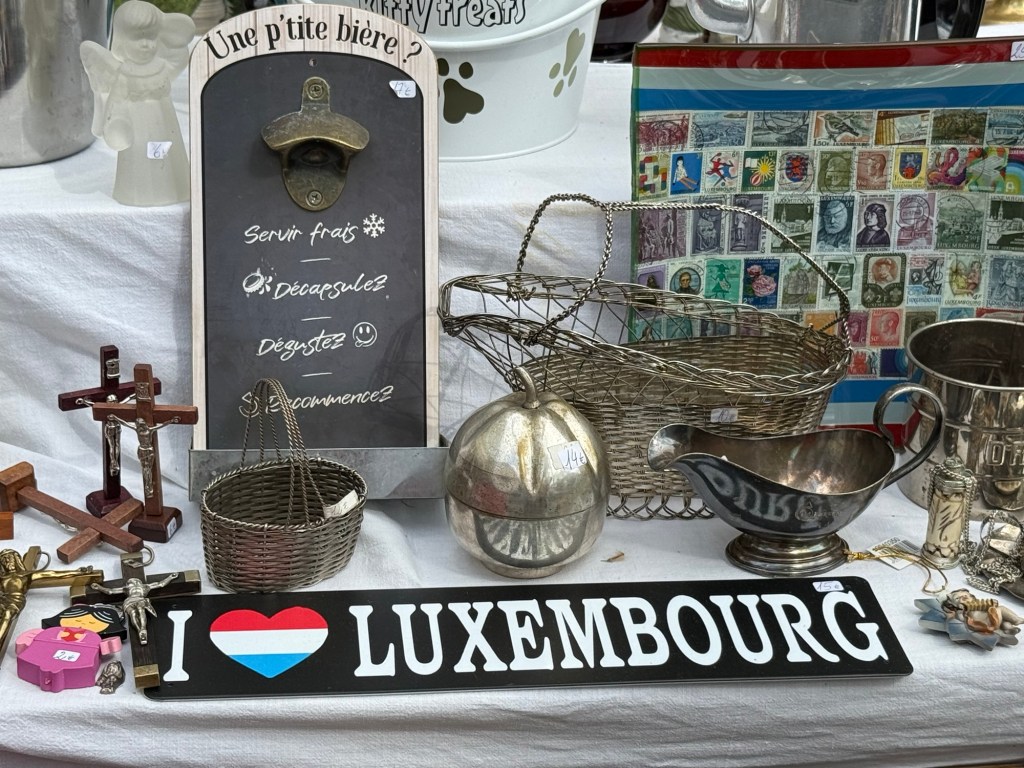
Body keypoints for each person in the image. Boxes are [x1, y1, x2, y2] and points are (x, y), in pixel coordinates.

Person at [80, 1, 195, 206]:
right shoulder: (123, 74)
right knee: (142, 158)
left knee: (165, 153)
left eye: (151, 37)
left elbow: (179, 57)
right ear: (122, 40)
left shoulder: (161, 67)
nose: (146, 44)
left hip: (163, 125)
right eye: (137, 38)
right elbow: (114, 102)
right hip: (138, 127)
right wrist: (115, 124)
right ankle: (140, 192)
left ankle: (172, 188)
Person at [1, 549, 98, 656]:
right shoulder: (2, 577)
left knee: (8, 614)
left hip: (15, 600)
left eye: (9, 558)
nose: (7, 562)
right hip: (2, 600)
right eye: (4, 560)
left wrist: (77, 572)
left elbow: (53, 574)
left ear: (15, 560)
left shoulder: (25, 575)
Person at [91, 573, 179, 645]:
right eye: (130, 582)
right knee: (133, 613)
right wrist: (99, 587)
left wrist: (171, 577)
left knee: (141, 609)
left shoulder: (145, 586)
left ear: (139, 582)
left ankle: (143, 629)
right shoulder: (126, 588)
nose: (133, 582)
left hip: (140, 599)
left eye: (135, 580)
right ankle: (139, 630)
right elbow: (110, 591)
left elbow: (160, 584)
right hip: (129, 601)